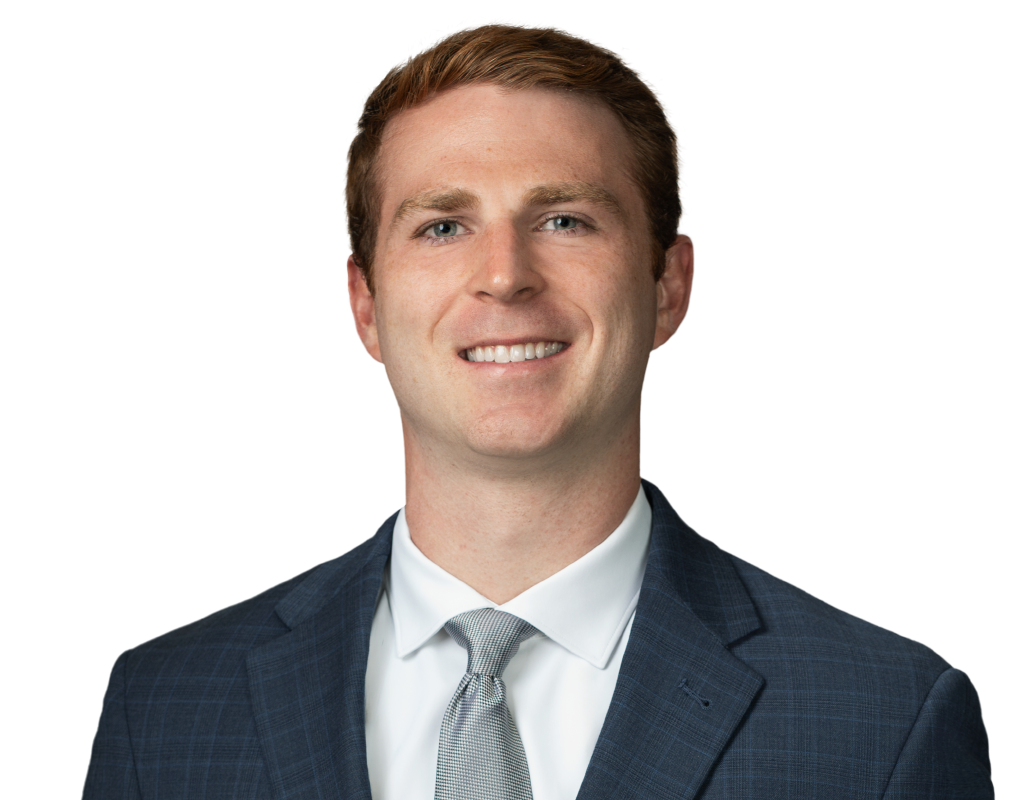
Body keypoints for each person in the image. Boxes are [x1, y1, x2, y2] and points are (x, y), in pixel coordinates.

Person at [82, 21, 995, 799]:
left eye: (564, 220)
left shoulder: (882, 722)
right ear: (364, 306)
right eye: (442, 226)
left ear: (668, 286)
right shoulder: (162, 709)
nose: (504, 275)